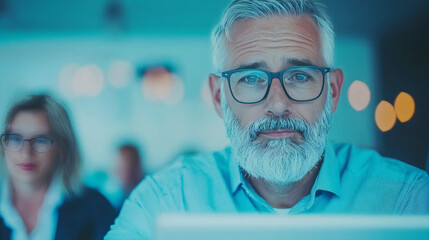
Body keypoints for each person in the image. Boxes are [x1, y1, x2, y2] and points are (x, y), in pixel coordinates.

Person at [105, 0, 429, 239]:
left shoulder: (408, 200)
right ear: (219, 97)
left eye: (300, 76)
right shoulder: (166, 200)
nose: (277, 103)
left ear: (332, 92)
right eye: (250, 78)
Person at [0, 94, 116, 240]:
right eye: (15, 139)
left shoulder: (96, 208)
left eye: (40, 140)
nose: (26, 152)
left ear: (63, 147)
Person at [113, 143, 145, 209]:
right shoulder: (114, 199)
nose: (120, 172)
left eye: (127, 168)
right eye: (119, 168)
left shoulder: (148, 197)